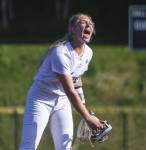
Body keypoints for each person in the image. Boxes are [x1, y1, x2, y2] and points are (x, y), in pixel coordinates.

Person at [19, 13, 103, 150]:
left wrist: (84, 107)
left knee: (65, 147)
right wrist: (87, 117)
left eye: (91, 23)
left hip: (62, 101)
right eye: (83, 22)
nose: (89, 25)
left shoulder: (88, 52)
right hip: (41, 98)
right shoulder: (61, 53)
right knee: (29, 146)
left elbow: (76, 77)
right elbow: (70, 90)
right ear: (72, 29)